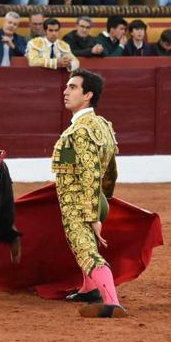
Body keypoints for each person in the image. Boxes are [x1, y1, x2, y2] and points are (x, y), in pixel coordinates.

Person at [51, 68, 126, 318]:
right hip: (96, 199)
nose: (66, 91)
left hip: (80, 203)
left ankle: (112, 301)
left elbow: (89, 174)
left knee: (86, 250)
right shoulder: (102, 125)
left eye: (73, 87)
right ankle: (89, 289)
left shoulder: (79, 131)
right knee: (87, 244)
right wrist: (105, 201)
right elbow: (110, 171)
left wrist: (92, 213)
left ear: (88, 95)